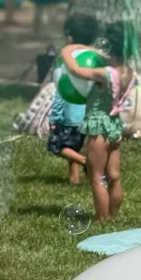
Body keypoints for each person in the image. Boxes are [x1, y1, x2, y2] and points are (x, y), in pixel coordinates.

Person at [62, 20, 137, 220]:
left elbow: (75, 70)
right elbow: (106, 61)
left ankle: (102, 219)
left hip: (99, 126)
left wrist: (67, 51)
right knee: (114, 176)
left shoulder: (104, 74)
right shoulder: (128, 73)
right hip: (114, 126)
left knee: (97, 178)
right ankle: (112, 216)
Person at [47, 13, 96, 184]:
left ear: (69, 36)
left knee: (56, 146)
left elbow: (61, 92)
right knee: (73, 146)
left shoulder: (66, 60)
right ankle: (74, 179)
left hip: (69, 116)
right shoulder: (93, 58)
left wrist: (54, 117)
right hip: (87, 116)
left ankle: (86, 162)